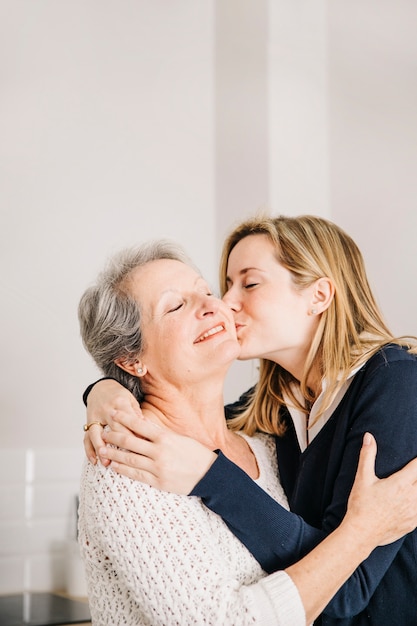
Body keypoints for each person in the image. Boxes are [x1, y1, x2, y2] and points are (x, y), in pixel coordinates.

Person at [83, 215, 417, 625]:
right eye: (177, 304)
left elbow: (345, 588)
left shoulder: (392, 382)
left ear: (319, 296)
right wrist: (103, 391)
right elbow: (184, 419)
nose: (222, 303)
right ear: (131, 359)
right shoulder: (276, 410)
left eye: (249, 283)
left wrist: (210, 474)